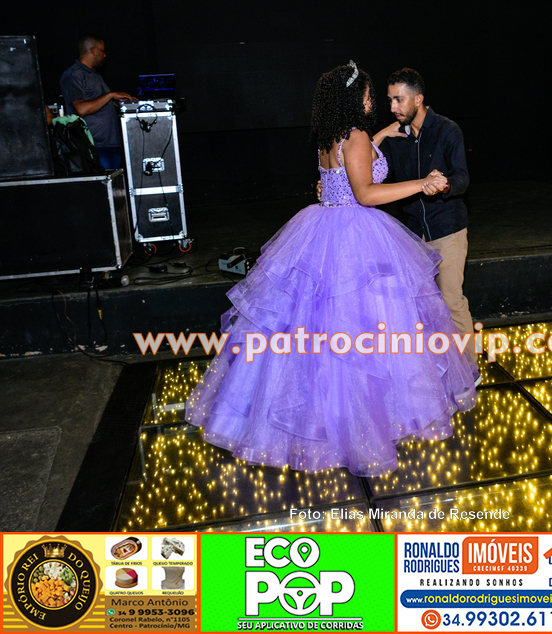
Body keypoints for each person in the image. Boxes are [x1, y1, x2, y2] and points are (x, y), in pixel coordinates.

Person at [185, 62, 478, 477]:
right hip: (353, 237)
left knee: (317, 333)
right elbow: (366, 193)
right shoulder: (354, 135)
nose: (374, 102)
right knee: (364, 334)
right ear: (356, 98)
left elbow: (342, 175)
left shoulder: (330, 136)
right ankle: (359, 426)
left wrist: (380, 136)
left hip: (322, 228)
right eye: (370, 95)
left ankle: (316, 420)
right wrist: (421, 183)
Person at [377, 68, 476, 363]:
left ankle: (469, 370)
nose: (392, 107)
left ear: (418, 99)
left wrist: (443, 185)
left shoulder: (447, 130)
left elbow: (462, 178)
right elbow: (371, 172)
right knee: (419, 308)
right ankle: (436, 367)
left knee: (451, 302)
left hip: (447, 230)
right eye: (390, 100)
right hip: (413, 235)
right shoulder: (395, 135)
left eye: (399, 99)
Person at [59, 35, 134, 170]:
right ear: (93, 51)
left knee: (116, 180)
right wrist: (110, 95)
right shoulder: (73, 75)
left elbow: (97, 102)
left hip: (110, 142)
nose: (105, 55)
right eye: (102, 50)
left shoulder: (94, 74)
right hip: (94, 145)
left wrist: (116, 103)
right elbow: (81, 109)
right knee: (104, 181)